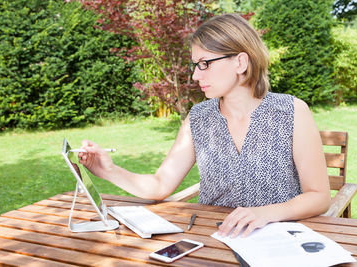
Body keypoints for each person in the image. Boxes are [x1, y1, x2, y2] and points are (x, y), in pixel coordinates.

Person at [78, 13, 331, 238]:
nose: (196, 75)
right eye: (195, 65)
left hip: (280, 242)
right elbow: (159, 185)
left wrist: (264, 213)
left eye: (204, 64)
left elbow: (319, 196)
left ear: (240, 63)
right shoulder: (198, 118)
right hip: (213, 239)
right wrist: (109, 170)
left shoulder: (292, 111)